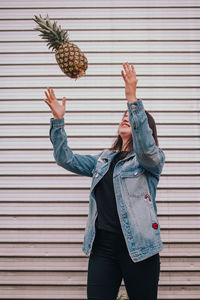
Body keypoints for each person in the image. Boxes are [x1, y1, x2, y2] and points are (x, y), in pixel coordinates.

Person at [44, 62, 165, 300]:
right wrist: (58, 122)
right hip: (103, 247)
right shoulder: (104, 159)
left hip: (140, 248)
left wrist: (132, 99)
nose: (125, 118)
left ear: (144, 128)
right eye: (123, 116)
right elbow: (65, 158)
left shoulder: (150, 160)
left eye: (130, 117)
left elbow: (147, 149)